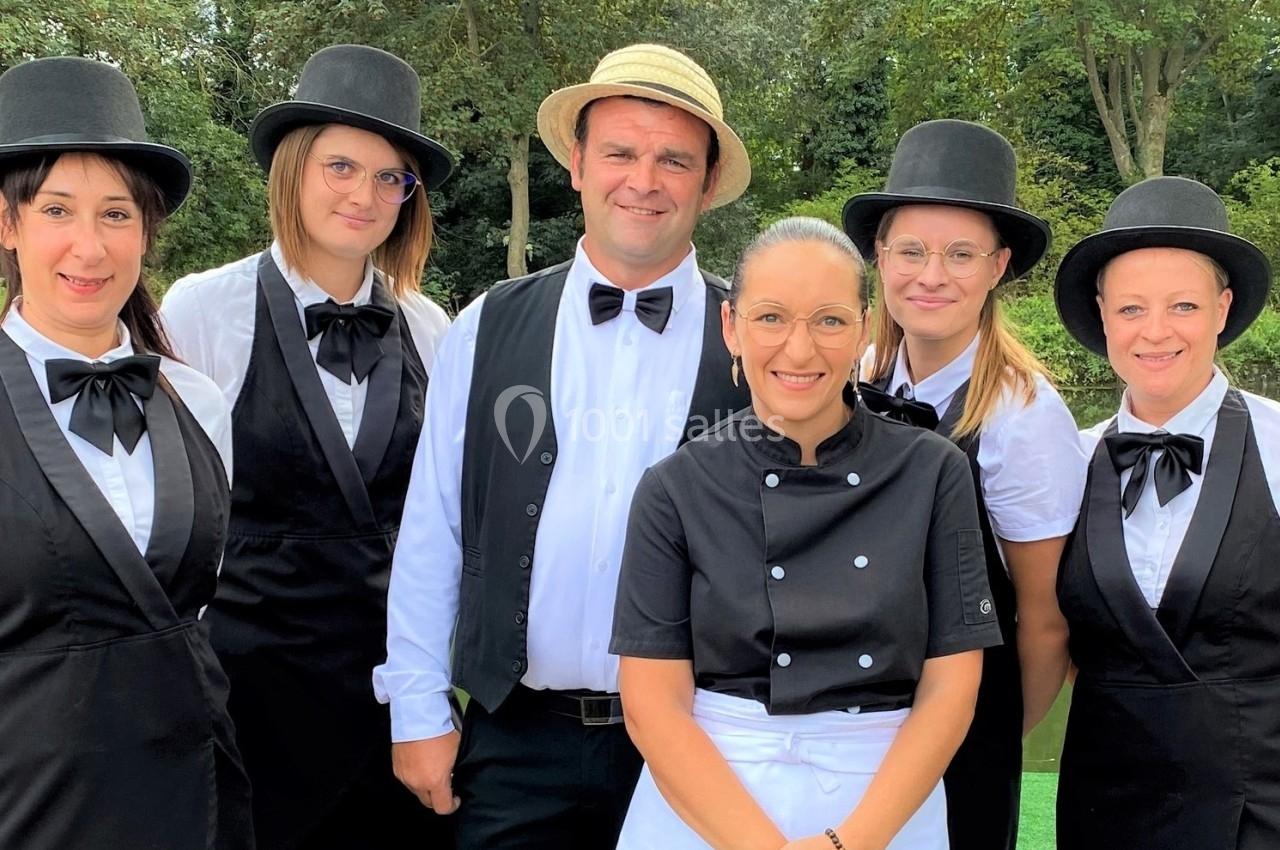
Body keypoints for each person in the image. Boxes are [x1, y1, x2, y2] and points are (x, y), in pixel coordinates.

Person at [374, 43, 753, 848]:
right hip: (515, 743)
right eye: (619, 151)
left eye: (673, 160)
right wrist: (417, 707)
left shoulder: (757, 343)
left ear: (708, 183)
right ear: (577, 163)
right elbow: (435, 527)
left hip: (705, 743)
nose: (643, 180)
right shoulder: (484, 325)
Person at [610, 216, 1001, 850]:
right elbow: (653, 704)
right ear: (731, 327)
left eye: (829, 320)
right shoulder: (674, 487)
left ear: (864, 328)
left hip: (884, 800)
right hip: (710, 798)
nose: (799, 350)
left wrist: (852, 841)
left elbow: (952, 688)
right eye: (770, 318)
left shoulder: (933, 471)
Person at [160, 45, 454, 849]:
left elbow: (445, 523)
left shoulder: (433, 330)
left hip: (391, 700)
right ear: (294, 170)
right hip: (253, 696)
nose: (364, 194)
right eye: (341, 166)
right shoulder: (202, 311)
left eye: (389, 176)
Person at [0, 57, 252, 850]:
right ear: (8, 224)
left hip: (197, 799)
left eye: (116, 214)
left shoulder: (199, 401)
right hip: (33, 806)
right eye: (57, 210)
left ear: (146, 229)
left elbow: (201, 609)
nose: (89, 245)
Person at [842, 119, 1087, 850]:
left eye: (960, 254)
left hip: (962, 740)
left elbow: (1046, 620)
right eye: (910, 250)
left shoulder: (1026, 416)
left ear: (998, 266)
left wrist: (982, 746)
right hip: (850, 728)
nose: (931, 274)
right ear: (880, 257)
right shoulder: (855, 376)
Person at [1053, 176, 1279, 850]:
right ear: (1101, 314)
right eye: (1130, 309)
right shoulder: (1066, 460)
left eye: (1182, 305)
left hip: (1259, 807)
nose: (1155, 332)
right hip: (1103, 807)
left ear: (1223, 308)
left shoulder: (1278, 443)